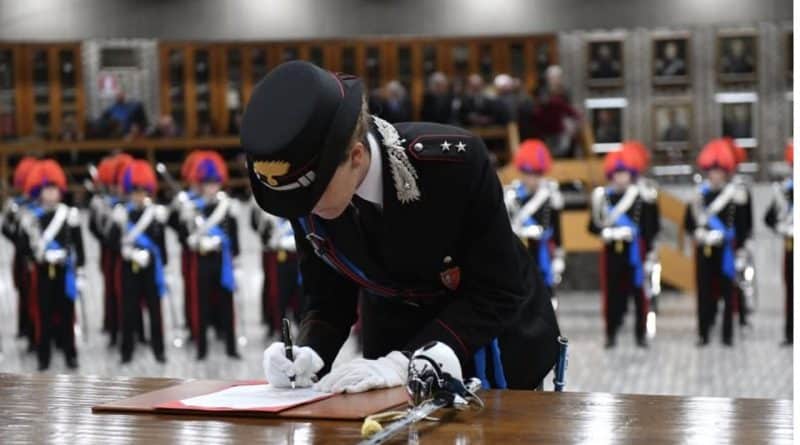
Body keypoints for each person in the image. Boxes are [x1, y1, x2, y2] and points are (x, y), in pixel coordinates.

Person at [245, 61, 559, 393]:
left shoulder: (452, 165)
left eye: (314, 194)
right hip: (390, 336)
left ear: (355, 156)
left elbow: (498, 289)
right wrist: (310, 352)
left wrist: (404, 361)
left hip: (487, 337)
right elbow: (327, 295)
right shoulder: (306, 192)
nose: (305, 209)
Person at [588, 146, 660, 348]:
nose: (621, 178)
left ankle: (640, 334)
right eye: (617, 174)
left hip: (635, 251)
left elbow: (650, 227)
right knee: (612, 294)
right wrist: (605, 233)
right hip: (612, 252)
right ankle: (610, 333)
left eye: (625, 173)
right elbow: (593, 225)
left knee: (639, 294)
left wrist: (650, 252)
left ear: (632, 175)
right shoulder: (603, 197)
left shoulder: (641, 197)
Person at [684, 139, 753, 346]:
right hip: (705, 248)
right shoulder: (699, 195)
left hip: (726, 250)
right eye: (712, 171)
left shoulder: (736, 195)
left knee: (728, 292)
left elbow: (743, 224)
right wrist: (698, 233)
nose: (715, 175)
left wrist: (740, 248)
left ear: (726, 171)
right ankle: (703, 333)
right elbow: (688, 222)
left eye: (719, 170)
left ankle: (727, 334)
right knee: (704, 292)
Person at [18, 159, 85, 370]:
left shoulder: (69, 215)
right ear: (39, 191)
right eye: (46, 190)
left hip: (65, 271)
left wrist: (78, 267)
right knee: (43, 314)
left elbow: (79, 245)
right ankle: (43, 355)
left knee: (67, 314)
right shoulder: (31, 217)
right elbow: (23, 248)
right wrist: (38, 256)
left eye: (54, 189)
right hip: (42, 272)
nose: (50, 194)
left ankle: (70, 354)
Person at [176, 151, 241, 360]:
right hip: (201, 259)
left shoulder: (226, 206)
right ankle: (201, 348)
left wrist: (235, 259)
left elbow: (234, 235)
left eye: (215, 183)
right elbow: (185, 236)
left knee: (227, 303)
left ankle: (231, 347)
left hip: (222, 259)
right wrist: (195, 240)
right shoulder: (191, 207)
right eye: (207, 184)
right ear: (201, 185)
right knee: (200, 303)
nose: (212, 187)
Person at [109, 160, 169, 364]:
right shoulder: (121, 214)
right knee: (128, 310)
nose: (139, 195)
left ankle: (159, 349)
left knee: (155, 310)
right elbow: (112, 241)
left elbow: (161, 243)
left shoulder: (155, 214)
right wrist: (126, 252)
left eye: (143, 191)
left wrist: (164, 266)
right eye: (134, 191)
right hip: (129, 267)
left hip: (151, 266)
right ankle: (127, 351)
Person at [505, 140, 564, 311]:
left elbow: (558, 229)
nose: (532, 179)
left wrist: (559, 256)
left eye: (537, 174)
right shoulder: (511, 196)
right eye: (528, 174)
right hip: (519, 251)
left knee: (547, 294)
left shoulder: (550, 195)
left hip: (543, 251)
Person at [1, 157, 37, 348]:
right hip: (21, 257)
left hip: (36, 258)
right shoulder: (16, 206)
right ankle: (24, 327)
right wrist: (18, 239)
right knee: (23, 291)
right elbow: (6, 229)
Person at [250, 205, 301, 338]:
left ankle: (302, 327)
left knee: (300, 295)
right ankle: (279, 329)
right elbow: (263, 234)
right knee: (279, 295)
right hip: (279, 258)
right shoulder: (268, 213)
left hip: (299, 256)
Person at [764, 142, 793, 345]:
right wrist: (781, 227)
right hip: (792, 247)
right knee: (792, 291)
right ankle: (791, 333)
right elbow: (769, 218)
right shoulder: (784, 191)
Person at [529, 66, 580, 158]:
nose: (555, 80)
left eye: (558, 77)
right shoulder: (542, 91)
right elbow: (539, 110)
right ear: (548, 79)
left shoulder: (565, 91)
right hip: (546, 129)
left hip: (562, 128)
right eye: (553, 78)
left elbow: (569, 110)